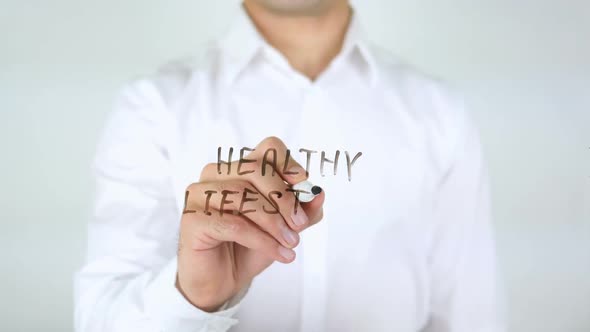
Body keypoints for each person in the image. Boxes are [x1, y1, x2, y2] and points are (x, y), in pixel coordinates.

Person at [74, 0, 504, 331]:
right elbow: (101, 320)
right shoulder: (153, 107)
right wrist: (194, 295)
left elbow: (472, 318)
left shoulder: (439, 113)